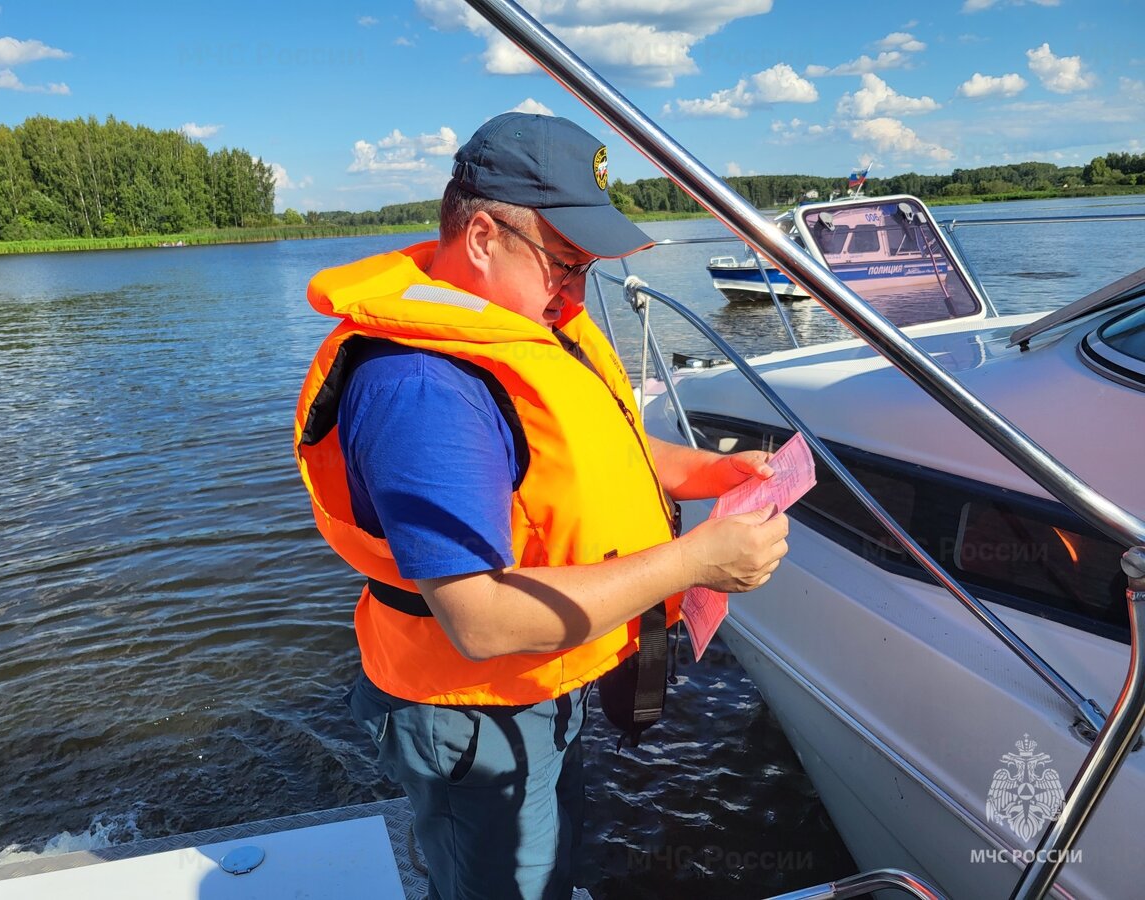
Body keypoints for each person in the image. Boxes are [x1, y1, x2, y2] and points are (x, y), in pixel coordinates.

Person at [294, 112, 788, 900]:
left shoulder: (525, 322)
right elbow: (480, 618)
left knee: (549, 874)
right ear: (484, 236)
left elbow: (594, 463)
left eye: (586, 267)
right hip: (471, 709)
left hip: (542, 680)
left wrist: (715, 474)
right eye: (563, 262)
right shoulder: (425, 388)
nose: (575, 290)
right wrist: (696, 561)